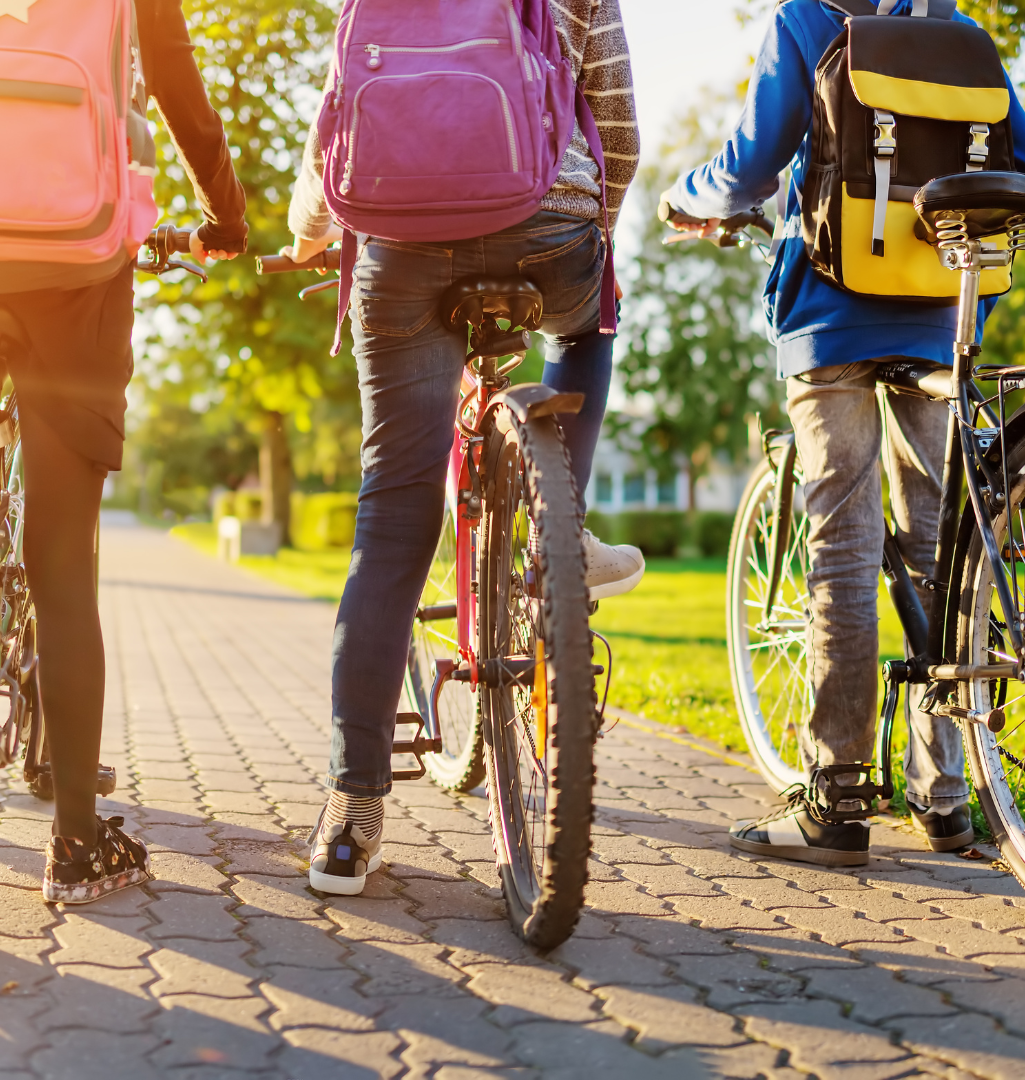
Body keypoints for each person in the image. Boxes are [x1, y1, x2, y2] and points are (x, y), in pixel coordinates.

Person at [0, 0, 247, 905]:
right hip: (70, 263)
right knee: (63, 560)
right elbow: (179, 89)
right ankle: (76, 845)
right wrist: (224, 215)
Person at [660, 0, 1025, 866]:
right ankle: (945, 797)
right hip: (938, 323)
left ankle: (835, 800)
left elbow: (746, 170)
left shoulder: (807, 21)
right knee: (937, 549)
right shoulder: (956, 31)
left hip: (830, 323)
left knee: (840, 544)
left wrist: (683, 197)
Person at [285, 0, 641, 895]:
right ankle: (564, 539)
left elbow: (343, 94)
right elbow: (620, 123)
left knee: (393, 520)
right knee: (591, 320)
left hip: (402, 237)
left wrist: (311, 229)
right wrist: (600, 215)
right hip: (547, 223)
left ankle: (351, 813)